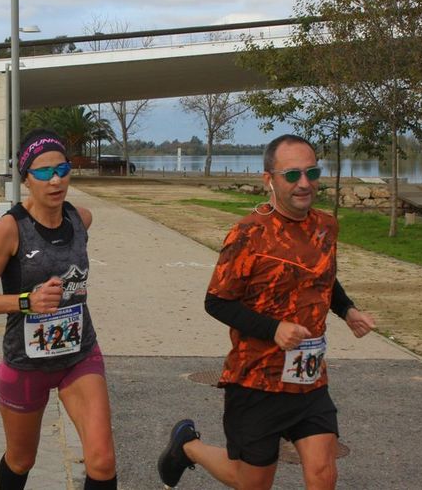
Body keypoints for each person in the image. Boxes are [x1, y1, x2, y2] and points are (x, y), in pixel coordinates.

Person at [157, 134, 376, 490]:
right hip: (256, 380)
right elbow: (217, 301)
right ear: (269, 180)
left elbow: (322, 277)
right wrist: (273, 329)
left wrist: (348, 310)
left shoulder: (326, 226)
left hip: (308, 377)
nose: (304, 183)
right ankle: (188, 447)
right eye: (292, 175)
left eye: (311, 172)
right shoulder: (248, 234)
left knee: (323, 474)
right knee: (251, 482)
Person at [0, 129, 117, 489]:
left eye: (62, 170)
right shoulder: (9, 230)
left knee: (102, 460)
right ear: (26, 179)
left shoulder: (81, 219)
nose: (56, 180)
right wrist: (26, 301)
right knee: (21, 460)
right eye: (44, 172)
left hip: (79, 354)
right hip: (27, 362)